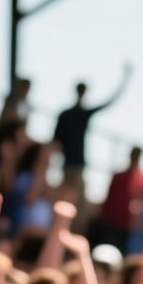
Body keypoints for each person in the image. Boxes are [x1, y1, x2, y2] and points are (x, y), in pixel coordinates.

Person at [53, 63, 132, 197]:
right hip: (69, 163)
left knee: (77, 197)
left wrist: (125, 80)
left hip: (77, 163)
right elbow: (56, 140)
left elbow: (109, 102)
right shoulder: (66, 115)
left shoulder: (80, 114)